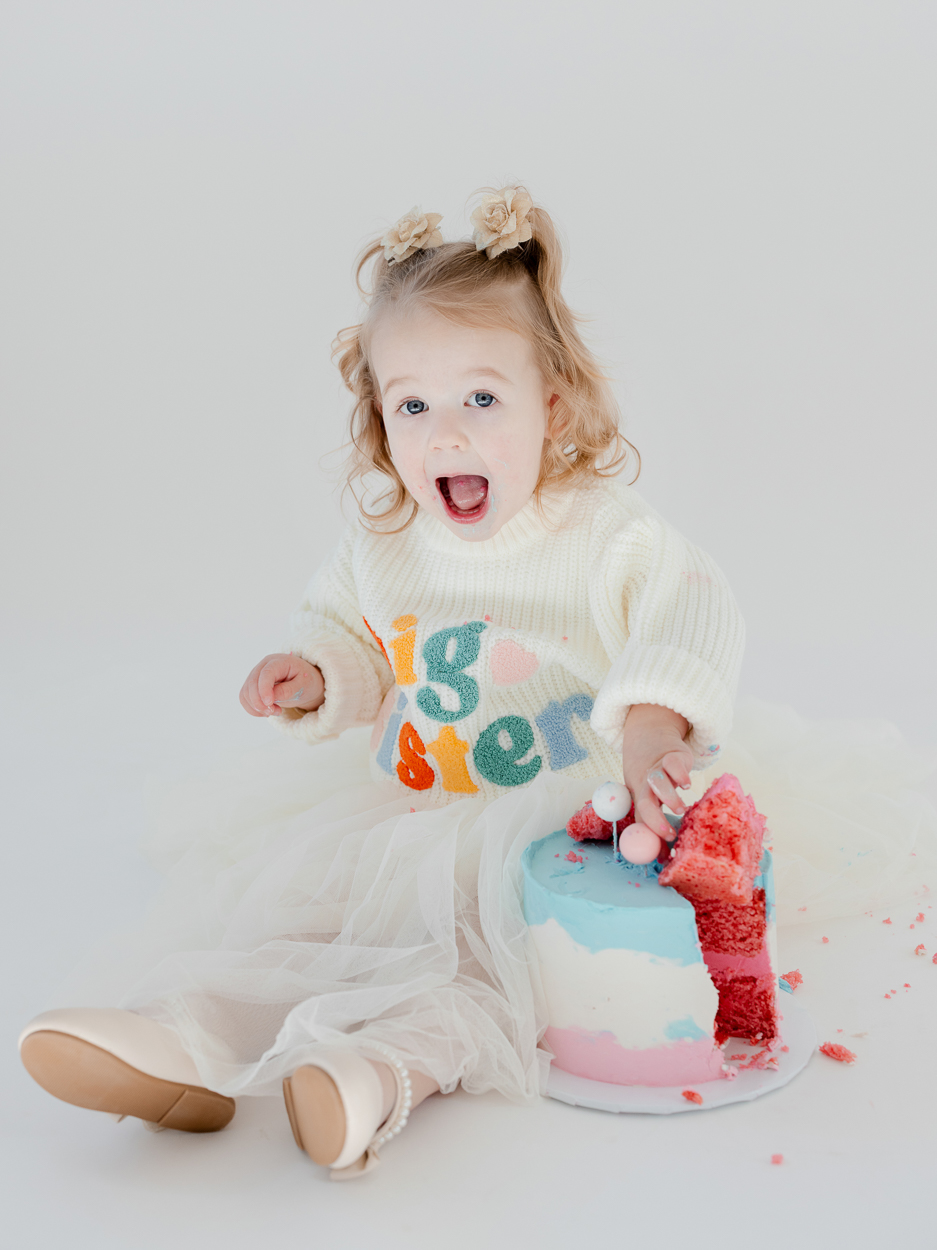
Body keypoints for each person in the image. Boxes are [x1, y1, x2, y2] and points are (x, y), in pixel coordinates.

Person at [18, 185, 934, 1179]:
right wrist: (317, 671)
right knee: (309, 912)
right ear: (378, 417)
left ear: (554, 402)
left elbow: (691, 613)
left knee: (480, 961)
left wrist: (649, 732)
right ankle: (178, 1042)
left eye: (480, 399)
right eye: (413, 404)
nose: (444, 433)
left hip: (557, 820)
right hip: (412, 800)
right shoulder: (387, 543)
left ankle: (375, 1070)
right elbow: (353, 638)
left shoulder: (602, 531)